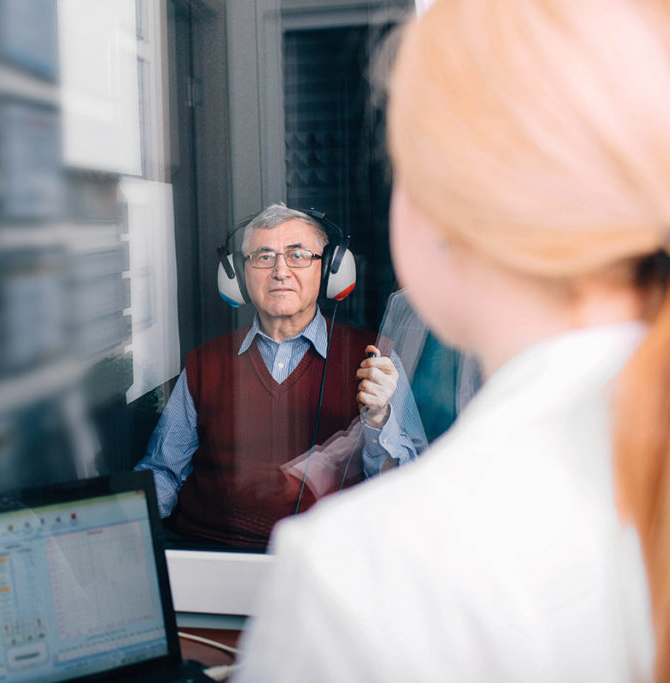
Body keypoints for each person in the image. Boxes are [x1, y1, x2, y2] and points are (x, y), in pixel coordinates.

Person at [236, 0, 669, 680]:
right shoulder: (399, 323)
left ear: (438, 206)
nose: (283, 271)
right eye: (264, 256)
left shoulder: (364, 577)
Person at [135, 203, 410, 547]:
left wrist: (378, 419)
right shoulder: (204, 363)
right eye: (263, 257)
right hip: (209, 554)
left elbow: (406, 487)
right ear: (238, 276)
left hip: (328, 561)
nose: (280, 271)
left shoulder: (375, 357)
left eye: (298, 256)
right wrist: (126, 531)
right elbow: (163, 471)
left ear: (328, 272)